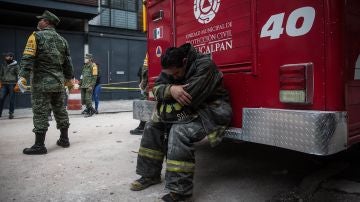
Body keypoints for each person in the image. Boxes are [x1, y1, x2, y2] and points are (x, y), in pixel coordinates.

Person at [130, 43, 232, 201]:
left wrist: (167, 93)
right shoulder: (172, 67)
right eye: (171, 75)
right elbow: (156, 88)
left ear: (184, 61)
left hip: (210, 111)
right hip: (186, 109)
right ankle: (150, 175)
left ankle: (180, 191)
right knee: (152, 125)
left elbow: (189, 97)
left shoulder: (205, 66)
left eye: (177, 74)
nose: (174, 77)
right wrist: (171, 89)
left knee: (179, 131)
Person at [19, 10, 74, 155]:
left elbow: (27, 58)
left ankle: (39, 145)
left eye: (41, 20)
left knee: (40, 112)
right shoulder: (63, 40)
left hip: (41, 84)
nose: (39, 22)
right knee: (60, 111)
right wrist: (69, 81)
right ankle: (64, 139)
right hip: (58, 83)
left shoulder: (36, 36)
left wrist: (22, 76)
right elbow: (68, 64)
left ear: (47, 22)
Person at [130, 53, 148, 135]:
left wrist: (142, 85)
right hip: (146, 87)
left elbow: (145, 71)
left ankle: (142, 127)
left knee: (144, 105)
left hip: (147, 87)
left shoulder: (149, 54)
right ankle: (143, 125)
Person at [0, 52, 19, 119]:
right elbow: (1, 74)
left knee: (11, 99)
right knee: (1, 98)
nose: (5, 58)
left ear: (11, 57)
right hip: (4, 84)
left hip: (12, 84)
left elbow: (18, 75)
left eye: (7, 56)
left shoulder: (16, 66)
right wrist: (0, 82)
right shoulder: (3, 65)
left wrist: (17, 84)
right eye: (6, 56)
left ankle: (11, 113)